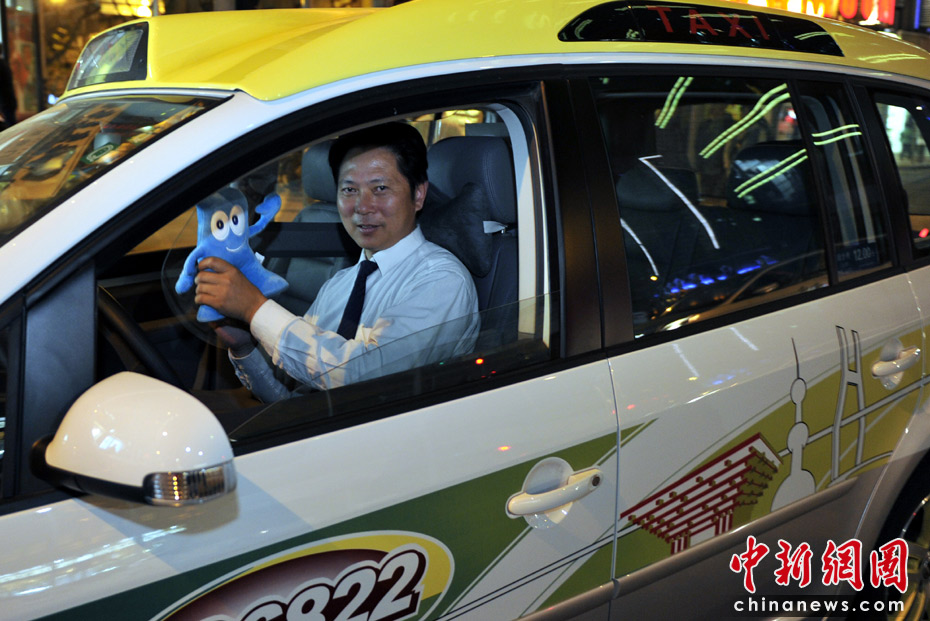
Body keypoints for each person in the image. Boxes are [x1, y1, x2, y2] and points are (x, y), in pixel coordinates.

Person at [193, 122, 479, 401]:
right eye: (349, 190)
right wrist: (244, 347)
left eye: (380, 188)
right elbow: (291, 392)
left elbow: (366, 379)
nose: (362, 207)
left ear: (418, 195)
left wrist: (254, 308)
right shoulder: (340, 284)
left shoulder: (441, 281)